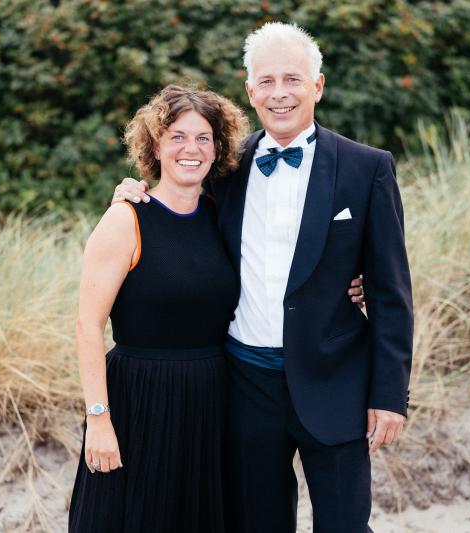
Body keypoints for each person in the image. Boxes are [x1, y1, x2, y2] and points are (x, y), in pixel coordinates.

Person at [113, 21, 414, 533]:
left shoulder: (367, 169)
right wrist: (132, 193)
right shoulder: (224, 169)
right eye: (267, 81)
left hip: (336, 381)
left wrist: (389, 396)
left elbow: (391, 293)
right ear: (250, 91)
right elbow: (175, 206)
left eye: (292, 79)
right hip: (244, 385)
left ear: (317, 85)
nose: (280, 93)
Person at [68, 85, 249, 532]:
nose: (191, 148)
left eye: (203, 138)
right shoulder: (126, 218)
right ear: (155, 146)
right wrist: (98, 419)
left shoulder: (221, 215)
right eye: (177, 137)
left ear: (217, 147)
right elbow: (88, 325)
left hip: (210, 401)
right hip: (137, 400)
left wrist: (352, 285)